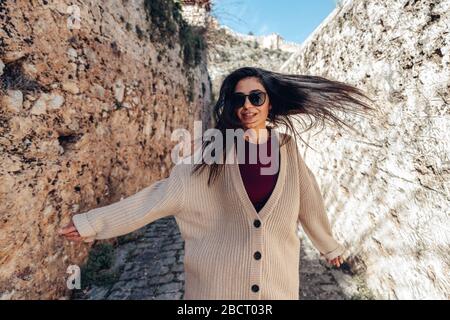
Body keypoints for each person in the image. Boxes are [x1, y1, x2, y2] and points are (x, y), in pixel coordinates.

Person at [59, 67, 374, 299]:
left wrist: (327, 244)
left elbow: (308, 198)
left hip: (278, 289)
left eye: (256, 97)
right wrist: (93, 223)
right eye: (239, 99)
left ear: (270, 104)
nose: (247, 105)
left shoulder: (287, 149)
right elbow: (160, 195)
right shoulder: (211, 155)